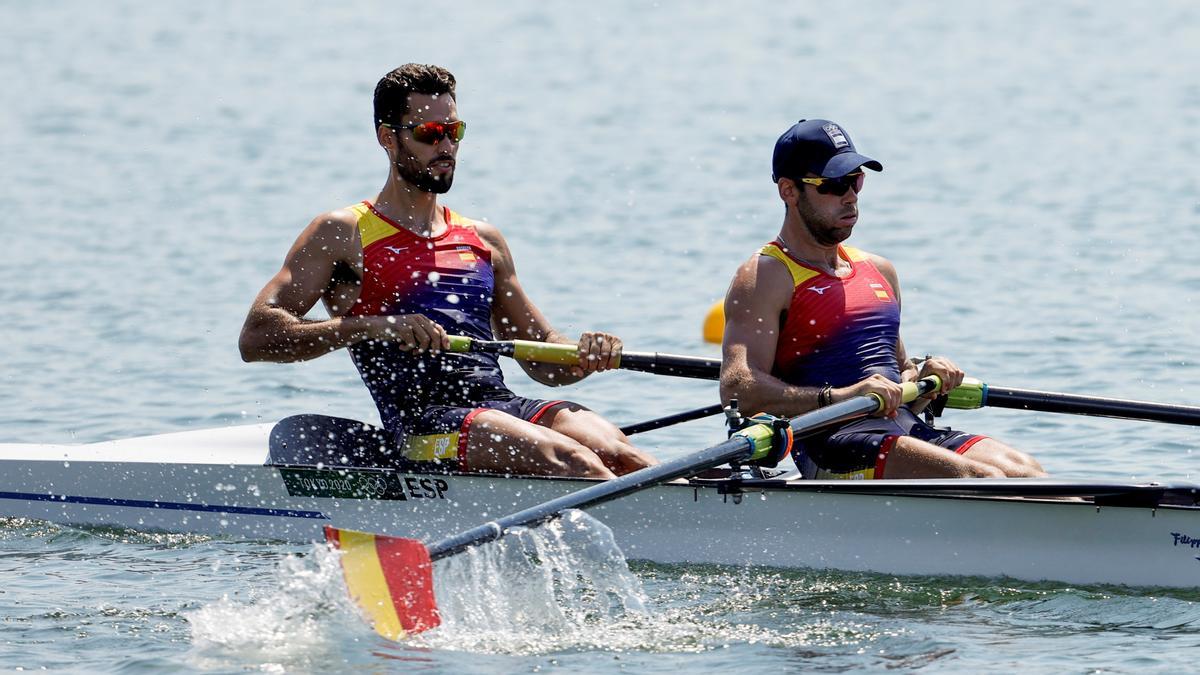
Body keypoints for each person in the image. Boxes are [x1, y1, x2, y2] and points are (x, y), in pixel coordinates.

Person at [239, 64, 656, 479]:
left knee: (622, 455)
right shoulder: (342, 232)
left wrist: (584, 353)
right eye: (428, 134)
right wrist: (371, 326)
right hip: (423, 427)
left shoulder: (483, 240)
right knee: (576, 461)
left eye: (453, 132)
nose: (445, 146)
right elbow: (257, 337)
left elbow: (543, 356)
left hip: (502, 406)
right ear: (388, 138)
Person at [719, 119, 1045, 480]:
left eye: (856, 180)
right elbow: (738, 390)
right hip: (833, 443)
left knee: (1027, 472)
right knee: (983, 480)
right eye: (833, 184)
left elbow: (899, 375)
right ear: (789, 191)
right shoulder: (766, 276)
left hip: (901, 428)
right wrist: (841, 396)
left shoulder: (879, 270)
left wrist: (924, 377)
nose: (851, 195)